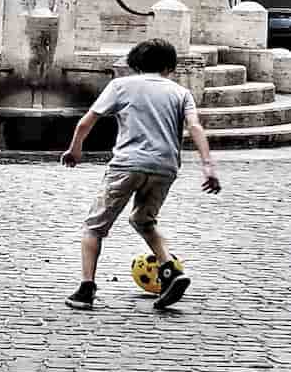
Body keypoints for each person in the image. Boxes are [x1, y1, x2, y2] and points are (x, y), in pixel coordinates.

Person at [61, 37, 221, 312]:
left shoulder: (121, 86)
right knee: (144, 219)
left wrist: (75, 150)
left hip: (127, 165)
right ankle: (170, 268)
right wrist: (208, 166)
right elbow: (195, 127)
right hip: (165, 167)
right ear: (170, 66)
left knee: (94, 226)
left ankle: (86, 288)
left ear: (135, 64)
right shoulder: (180, 93)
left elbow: (87, 121)